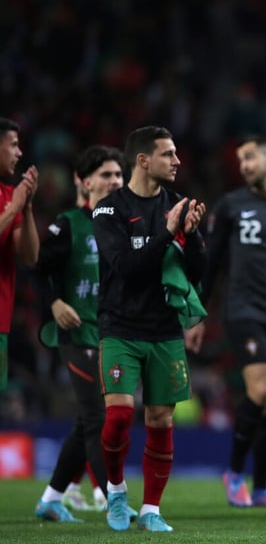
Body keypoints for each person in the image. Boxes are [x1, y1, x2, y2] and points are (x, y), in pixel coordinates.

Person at [93, 126, 207, 532]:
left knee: (160, 419)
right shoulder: (109, 210)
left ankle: (152, 510)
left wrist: (190, 238)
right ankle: (117, 490)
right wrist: (167, 233)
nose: (177, 161)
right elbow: (125, 269)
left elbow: (198, 275)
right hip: (120, 326)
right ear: (143, 160)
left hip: (164, 330)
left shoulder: (178, 204)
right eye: (168, 154)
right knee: (120, 416)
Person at [192, 135, 266, 508]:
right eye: (240, 160)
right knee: (261, 388)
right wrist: (197, 314)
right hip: (244, 310)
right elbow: (212, 263)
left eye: (250, 157)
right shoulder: (231, 205)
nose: (245, 166)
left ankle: (259, 487)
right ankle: (233, 472)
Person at [34, 145, 125, 522]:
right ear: (85, 182)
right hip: (76, 333)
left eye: (118, 175)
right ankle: (114, 499)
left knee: (85, 421)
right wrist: (54, 303)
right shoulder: (68, 222)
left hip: (114, 333)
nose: (114, 181)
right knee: (97, 418)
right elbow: (40, 268)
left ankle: (52, 500)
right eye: (106, 174)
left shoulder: (124, 223)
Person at [0, 117, 39, 391]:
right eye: (13, 145)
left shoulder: (9, 194)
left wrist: (26, 208)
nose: (19, 153)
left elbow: (29, 257)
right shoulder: (9, 201)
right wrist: (13, 209)